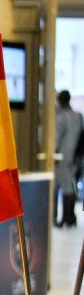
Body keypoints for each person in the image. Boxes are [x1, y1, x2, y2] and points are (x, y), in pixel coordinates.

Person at [55, 90, 83, 227]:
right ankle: (71, 216)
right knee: (71, 186)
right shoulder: (78, 116)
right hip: (75, 157)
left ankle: (66, 217)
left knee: (66, 188)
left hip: (62, 157)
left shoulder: (61, 117)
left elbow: (56, 138)